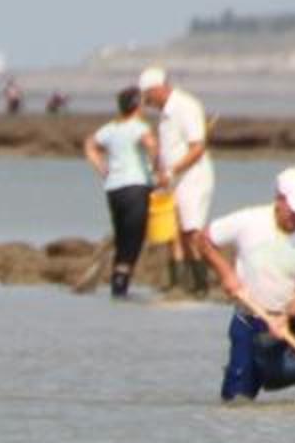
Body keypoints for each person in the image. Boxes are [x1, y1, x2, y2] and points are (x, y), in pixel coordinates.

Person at [196, 167, 295, 403]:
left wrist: (286, 316)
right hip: (250, 320)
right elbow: (203, 239)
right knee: (237, 401)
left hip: (291, 320)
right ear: (279, 199)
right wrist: (227, 273)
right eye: (294, 210)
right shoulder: (249, 220)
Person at [138, 65, 213, 292]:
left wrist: (172, 171)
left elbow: (197, 147)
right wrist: (160, 171)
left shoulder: (186, 106)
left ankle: (201, 284)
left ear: (158, 88)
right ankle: (178, 283)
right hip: (173, 181)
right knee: (173, 231)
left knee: (191, 230)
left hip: (193, 178)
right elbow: (168, 149)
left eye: (148, 95)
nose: (146, 101)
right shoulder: (165, 114)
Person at [82, 85, 157, 298]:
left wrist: (103, 169)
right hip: (136, 186)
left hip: (114, 189)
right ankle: (120, 289)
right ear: (136, 105)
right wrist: (156, 168)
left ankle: (118, 288)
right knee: (133, 240)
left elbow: (89, 145)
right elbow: (151, 145)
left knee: (122, 237)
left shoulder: (111, 128)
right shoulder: (139, 127)